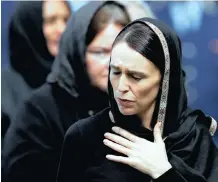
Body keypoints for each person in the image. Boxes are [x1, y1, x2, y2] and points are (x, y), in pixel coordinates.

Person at [2, 1, 155, 182]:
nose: (112, 63)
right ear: (79, 52)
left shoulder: (141, 104)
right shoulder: (41, 112)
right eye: (100, 52)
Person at [57, 18, 218, 182]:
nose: (121, 87)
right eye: (115, 72)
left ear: (165, 81)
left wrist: (163, 171)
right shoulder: (84, 136)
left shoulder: (193, 137)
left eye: (136, 76)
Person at [1, 1, 71, 139]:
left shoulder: (76, 80)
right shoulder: (4, 88)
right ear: (30, 25)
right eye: (51, 21)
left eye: (66, 20)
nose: (62, 29)